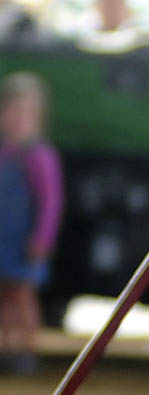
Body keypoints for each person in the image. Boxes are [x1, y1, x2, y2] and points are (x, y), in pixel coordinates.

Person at [0, 72, 63, 374]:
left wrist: (42, 239)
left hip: (25, 241)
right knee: (5, 296)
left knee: (23, 294)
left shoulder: (40, 156)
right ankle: (8, 347)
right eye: (12, 112)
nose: (17, 120)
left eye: (26, 114)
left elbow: (50, 201)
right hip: (4, 238)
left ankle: (26, 349)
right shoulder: (5, 154)